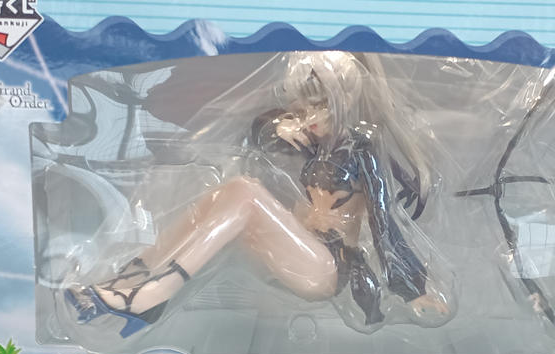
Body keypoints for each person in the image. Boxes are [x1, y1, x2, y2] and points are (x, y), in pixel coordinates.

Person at [66, 51, 451, 336]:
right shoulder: (312, 145)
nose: (308, 117)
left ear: (344, 100)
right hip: (296, 252)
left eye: (319, 106)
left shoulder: (362, 150)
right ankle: (134, 277)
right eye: (302, 106)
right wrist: (278, 125)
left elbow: (385, 224)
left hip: (328, 268)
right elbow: (258, 135)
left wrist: (414, 291)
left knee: (244, 192)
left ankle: (154, 293)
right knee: (221, 196)